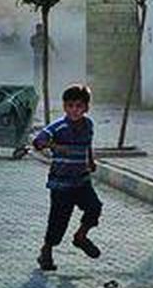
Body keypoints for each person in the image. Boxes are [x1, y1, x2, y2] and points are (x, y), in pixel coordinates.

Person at [32, 84, 101, 271]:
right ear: (64, 107)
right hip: (61, 183)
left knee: (94, 207)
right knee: (58, 220)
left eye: (79, 106)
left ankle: (80, 237)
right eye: (70, 106)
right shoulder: (58, 126)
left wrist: (91, 161)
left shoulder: (88, 125)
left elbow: (88, 144)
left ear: (86, 107)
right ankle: (46, 251)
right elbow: (38, 141)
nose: (74, 110)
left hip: (81, 180)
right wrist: (54, 146)